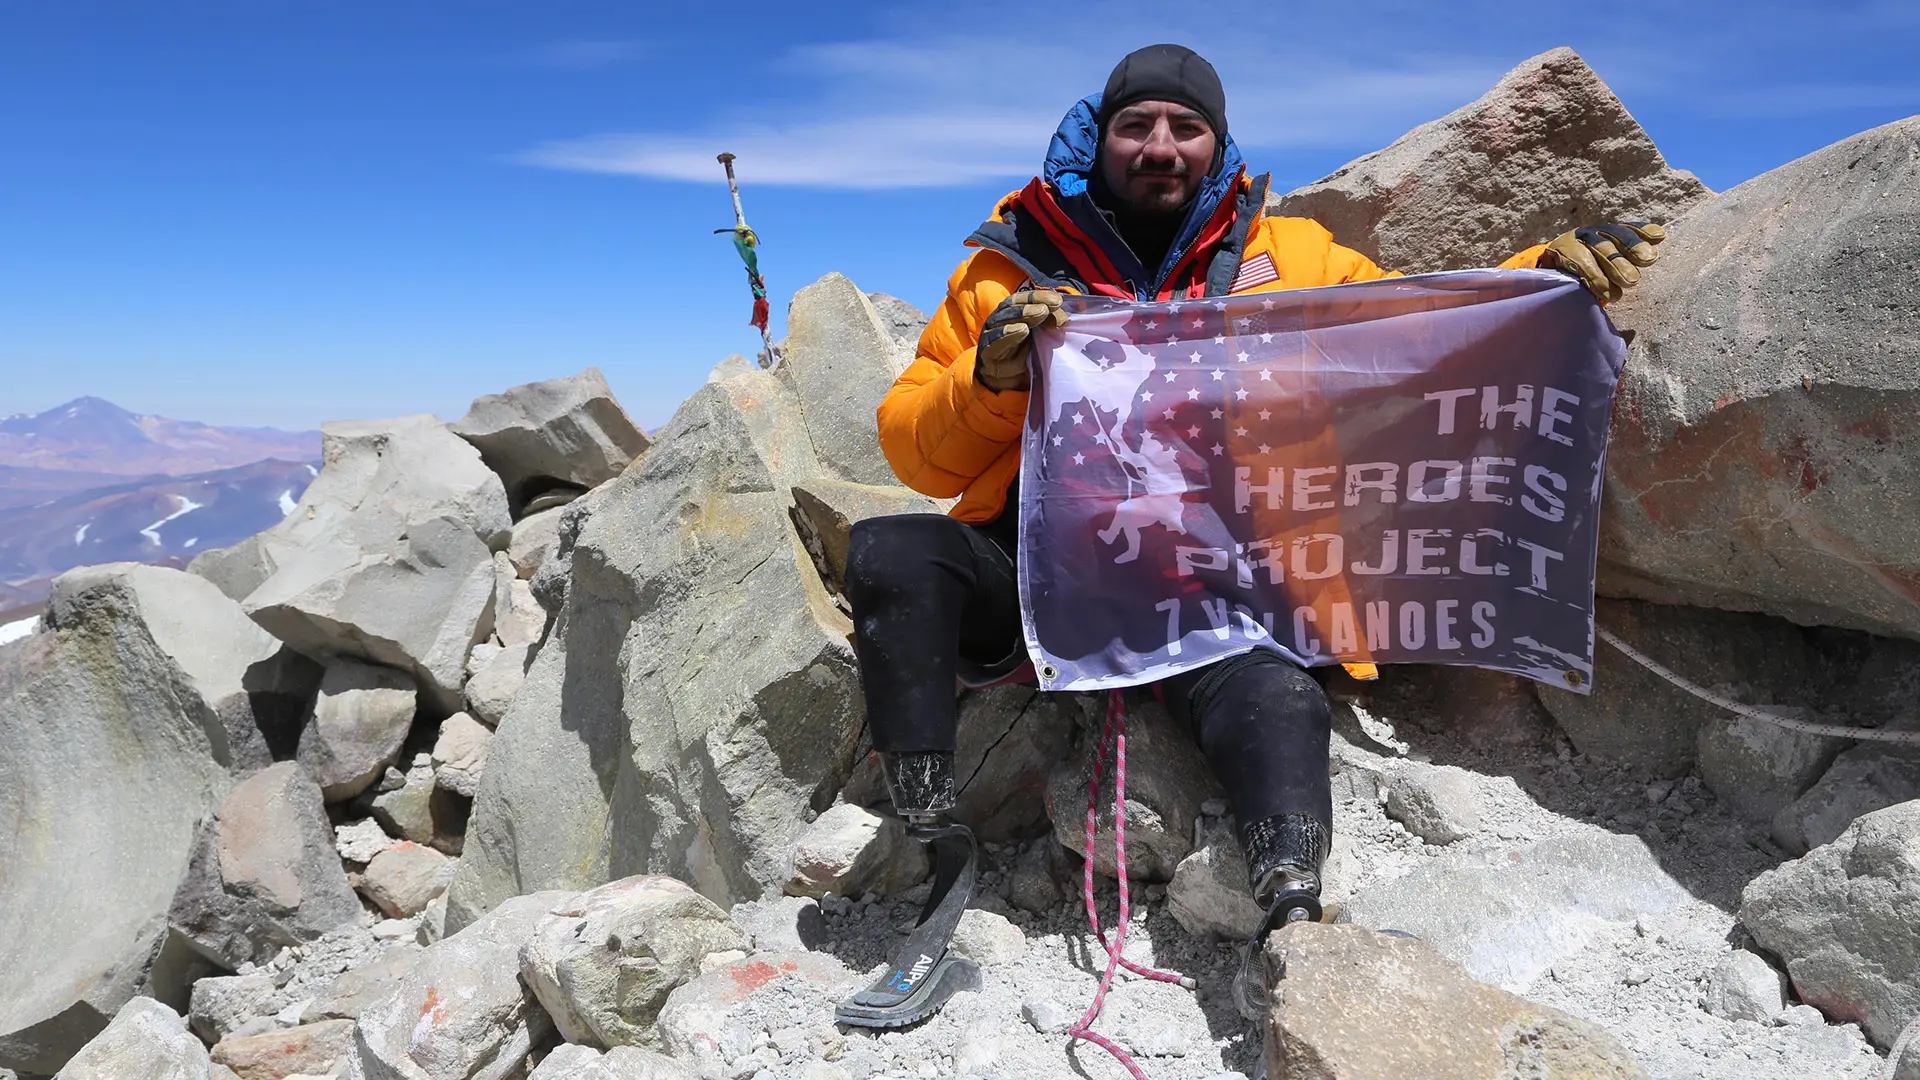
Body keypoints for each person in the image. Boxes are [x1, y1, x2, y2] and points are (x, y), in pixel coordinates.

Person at [837, 43, 1664, 1026]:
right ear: (1097, 139)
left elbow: (1409, 330)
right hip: (1037, 586)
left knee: (1277, 699)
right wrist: (987, 379)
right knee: (893, 551)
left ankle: (1295, 916)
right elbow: (914, 451)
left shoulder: (1295, 256)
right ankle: (934, 833)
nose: (1160, 146)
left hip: (1217, 585)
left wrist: (1542, 281)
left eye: (1185, 127)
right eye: (1136, 125)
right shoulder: (1002, 270)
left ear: (1218, 144)